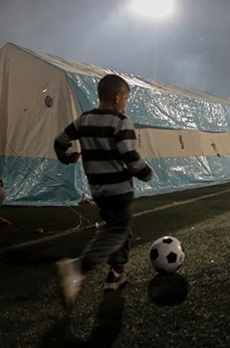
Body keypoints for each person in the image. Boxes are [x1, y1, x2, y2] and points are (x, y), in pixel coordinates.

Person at [53, 73, 154, 311]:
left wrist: (67, 158)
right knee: (117, 231)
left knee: (120, 229)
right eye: (126, 99)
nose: (125, 103)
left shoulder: (84, 120)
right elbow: (130, 156)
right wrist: (145, 173)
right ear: (118, 97)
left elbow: (60, 141)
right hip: (119, 189)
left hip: (98, 190)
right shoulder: (121, 121)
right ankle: (79, 268)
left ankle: (116, 273)